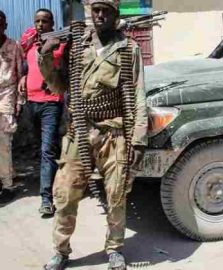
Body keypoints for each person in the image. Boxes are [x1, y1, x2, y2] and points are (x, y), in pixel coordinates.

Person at [39, 0, 147, 269]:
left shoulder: (128, 48)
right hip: (79, 132)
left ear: (115, 15)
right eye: (96, 9)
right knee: (64, 194)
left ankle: (115, 249)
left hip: (114, 133)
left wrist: (138, 139)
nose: (99, 15)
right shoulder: (77, 45)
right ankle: (61, 251)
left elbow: (138, 94)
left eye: (106, 11)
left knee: (116, 194)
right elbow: (57, 87)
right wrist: (46, 57)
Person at [18, 9, 65, 216]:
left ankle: (47, 199)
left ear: (52, 23)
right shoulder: (31, 43)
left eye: (44, 21)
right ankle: (57, 183)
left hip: (51, 103)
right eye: (37, 21)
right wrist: (23, 78)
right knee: (43, 149)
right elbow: (30, 67)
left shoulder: (59, 42)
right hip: (31, 102)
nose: (40, 25)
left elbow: (62, 70)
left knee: (47, 151)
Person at [0, 10, 23, 204]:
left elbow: (20, 75)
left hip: (6, 98)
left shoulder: (14, 46)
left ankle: (7, 185)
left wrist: (19, 103)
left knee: (3, 143)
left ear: (5, 26)